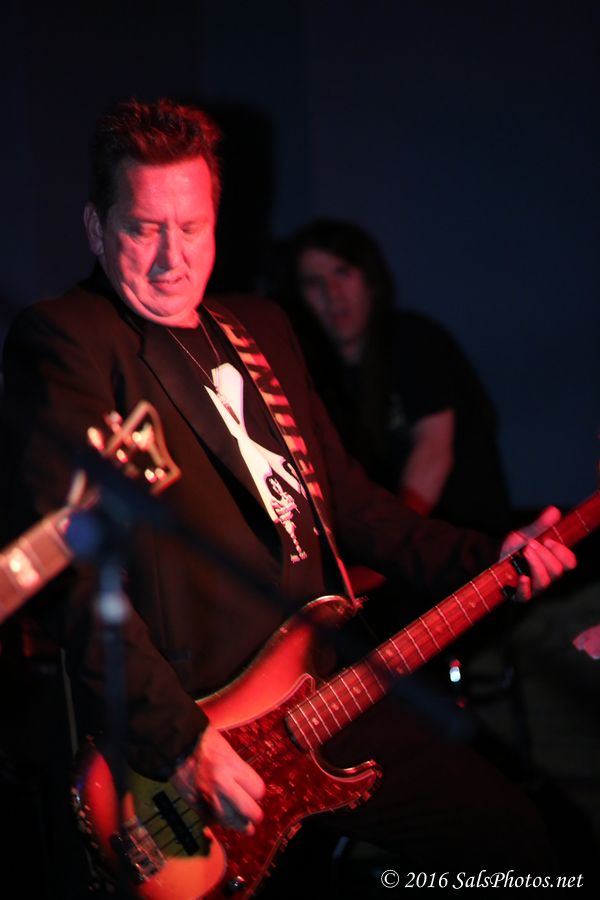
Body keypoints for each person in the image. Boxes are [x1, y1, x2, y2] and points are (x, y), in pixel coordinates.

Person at [0, 98, 578, 895]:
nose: (171, 259)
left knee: (515, 846)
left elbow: (352, 505)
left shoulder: (260, 328)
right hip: (206, 726)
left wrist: (489, 556)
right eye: (143, 229)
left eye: (192, 228)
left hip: (329, 689)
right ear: (97, 229)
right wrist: (179, 739)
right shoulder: (69, 339)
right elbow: (71, 571)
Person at [277, 218, 511, 536]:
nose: (331, 293)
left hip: (465, 540)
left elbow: (433, 452)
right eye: (313, 282)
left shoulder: (413, 340)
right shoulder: (314, 373)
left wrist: (394, 540)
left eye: (342, 272)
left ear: (370, 280)